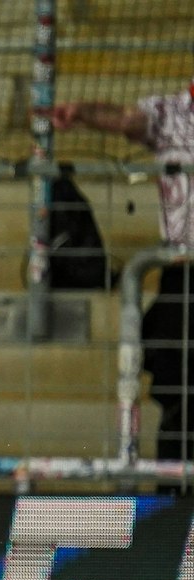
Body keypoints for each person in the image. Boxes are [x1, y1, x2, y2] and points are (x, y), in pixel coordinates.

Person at [53, 81, 194, 463]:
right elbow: (126, 119)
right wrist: (82, 111)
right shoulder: (171, 112)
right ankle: (176, 485)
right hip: (184, 273)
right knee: (176, 380)